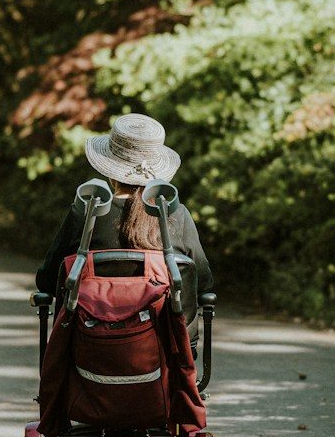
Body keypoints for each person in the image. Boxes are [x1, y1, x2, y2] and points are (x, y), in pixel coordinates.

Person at [35, 113, 211, 306]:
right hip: (163, 334)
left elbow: (47, 281)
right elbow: (203, 282)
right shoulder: (176, 215)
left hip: (90, 333)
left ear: (111, 172)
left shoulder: (85, 214)